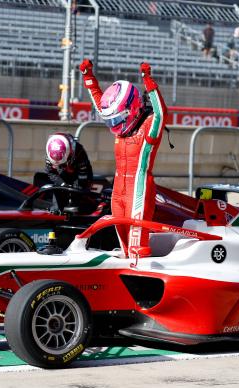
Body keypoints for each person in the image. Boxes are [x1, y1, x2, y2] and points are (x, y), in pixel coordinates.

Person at [79, 58, 166, 256]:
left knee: (137, 247)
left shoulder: (148, 128)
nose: (114, 125)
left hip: (139, 192)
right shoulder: (119, 125)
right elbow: (101, 105)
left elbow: (161, 114)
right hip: (117, 192)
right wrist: (88, 77)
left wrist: (149, 82)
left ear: (132, 109)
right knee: (124, 247)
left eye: (117, 119)